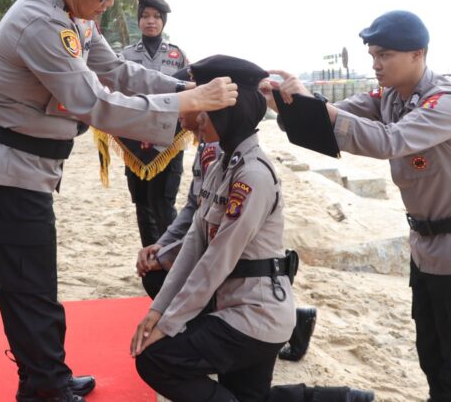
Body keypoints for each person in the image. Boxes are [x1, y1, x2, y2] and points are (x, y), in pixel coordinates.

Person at [0, 0, 238, 400]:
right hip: (8, 172)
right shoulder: (41, 22)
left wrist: (180, 88)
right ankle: (45, 388)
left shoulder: (74, 10)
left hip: (31, 169)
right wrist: (186, 104)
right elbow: (95, 102)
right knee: (28, 289)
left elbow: (116, 71)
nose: (109, 4)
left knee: (37, 284)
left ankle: (46, 376)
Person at [269, 10, 451, 402]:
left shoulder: (447, 103)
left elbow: (388, 141)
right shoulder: (390, 95)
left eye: (385, 55)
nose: (375, 64)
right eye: (373, 55)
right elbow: (339, 117)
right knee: (431, 353)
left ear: (418, 54)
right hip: (424, 246)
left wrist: (318, 108)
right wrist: (288, 103)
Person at [131, 55, 374, 402]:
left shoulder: (253, 174)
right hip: (236, 306)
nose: (196, 117)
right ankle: (344, 399)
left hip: (254, 315)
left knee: (156, 359)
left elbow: (217, 259)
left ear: (227, 112)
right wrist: (158, 312)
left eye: (205, 108)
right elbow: (194, 247)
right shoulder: (222, 166)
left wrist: (169, 324)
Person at [135, 72, 318, 363]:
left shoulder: (224, 148)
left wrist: (166, 260)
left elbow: (219, 244)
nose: (175, 111)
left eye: (182, 102)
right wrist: (164, 245)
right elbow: (195, 207)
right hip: (222, 253)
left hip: (242, 272)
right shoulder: (210, 147)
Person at [96, 0, 190, 248]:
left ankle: (171, 256)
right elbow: (115, 91)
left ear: (163, 22)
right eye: (145, 16)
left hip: (168, 141)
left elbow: (188, 96)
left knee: (163, 202)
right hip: (136, 140)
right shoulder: (125, 56)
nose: (151, 21)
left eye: (157, 17)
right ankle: (150, 257)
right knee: (142, 203)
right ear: (138, 21)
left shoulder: (177, 55)